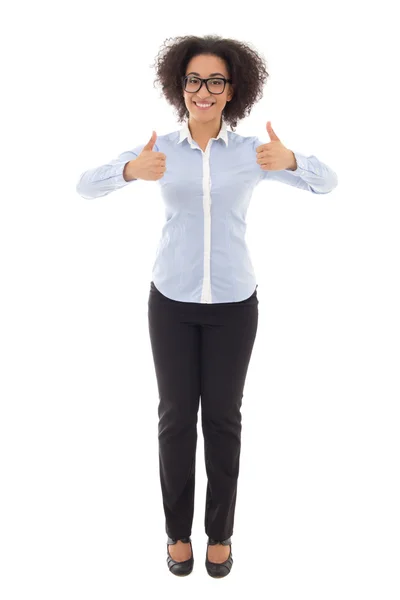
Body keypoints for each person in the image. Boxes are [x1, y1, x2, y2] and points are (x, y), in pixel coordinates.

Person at [76, 34, 338, 578]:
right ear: (181, 86)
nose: (204, 90)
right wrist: (129, 171)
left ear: (231, 89)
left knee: (222, 419)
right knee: (175, 419)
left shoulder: (252, 154)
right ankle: (177, 535)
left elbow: (327, 183)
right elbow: (84, 187)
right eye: (194, 80)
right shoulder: (159, 151)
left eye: (215, 81)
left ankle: (220, 535)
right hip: (170, 301)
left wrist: (293, 160)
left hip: (234, 304)